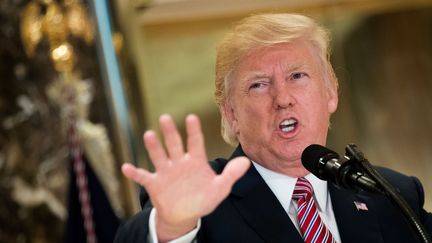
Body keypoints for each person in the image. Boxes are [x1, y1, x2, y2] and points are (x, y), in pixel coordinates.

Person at [114, 13, 432, 243]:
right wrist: (172, 228)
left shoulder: (392, 194)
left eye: (297, 76)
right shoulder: (201, 202)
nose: (282, 99)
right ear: (231, 114)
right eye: (259, 85)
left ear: (331, 91)